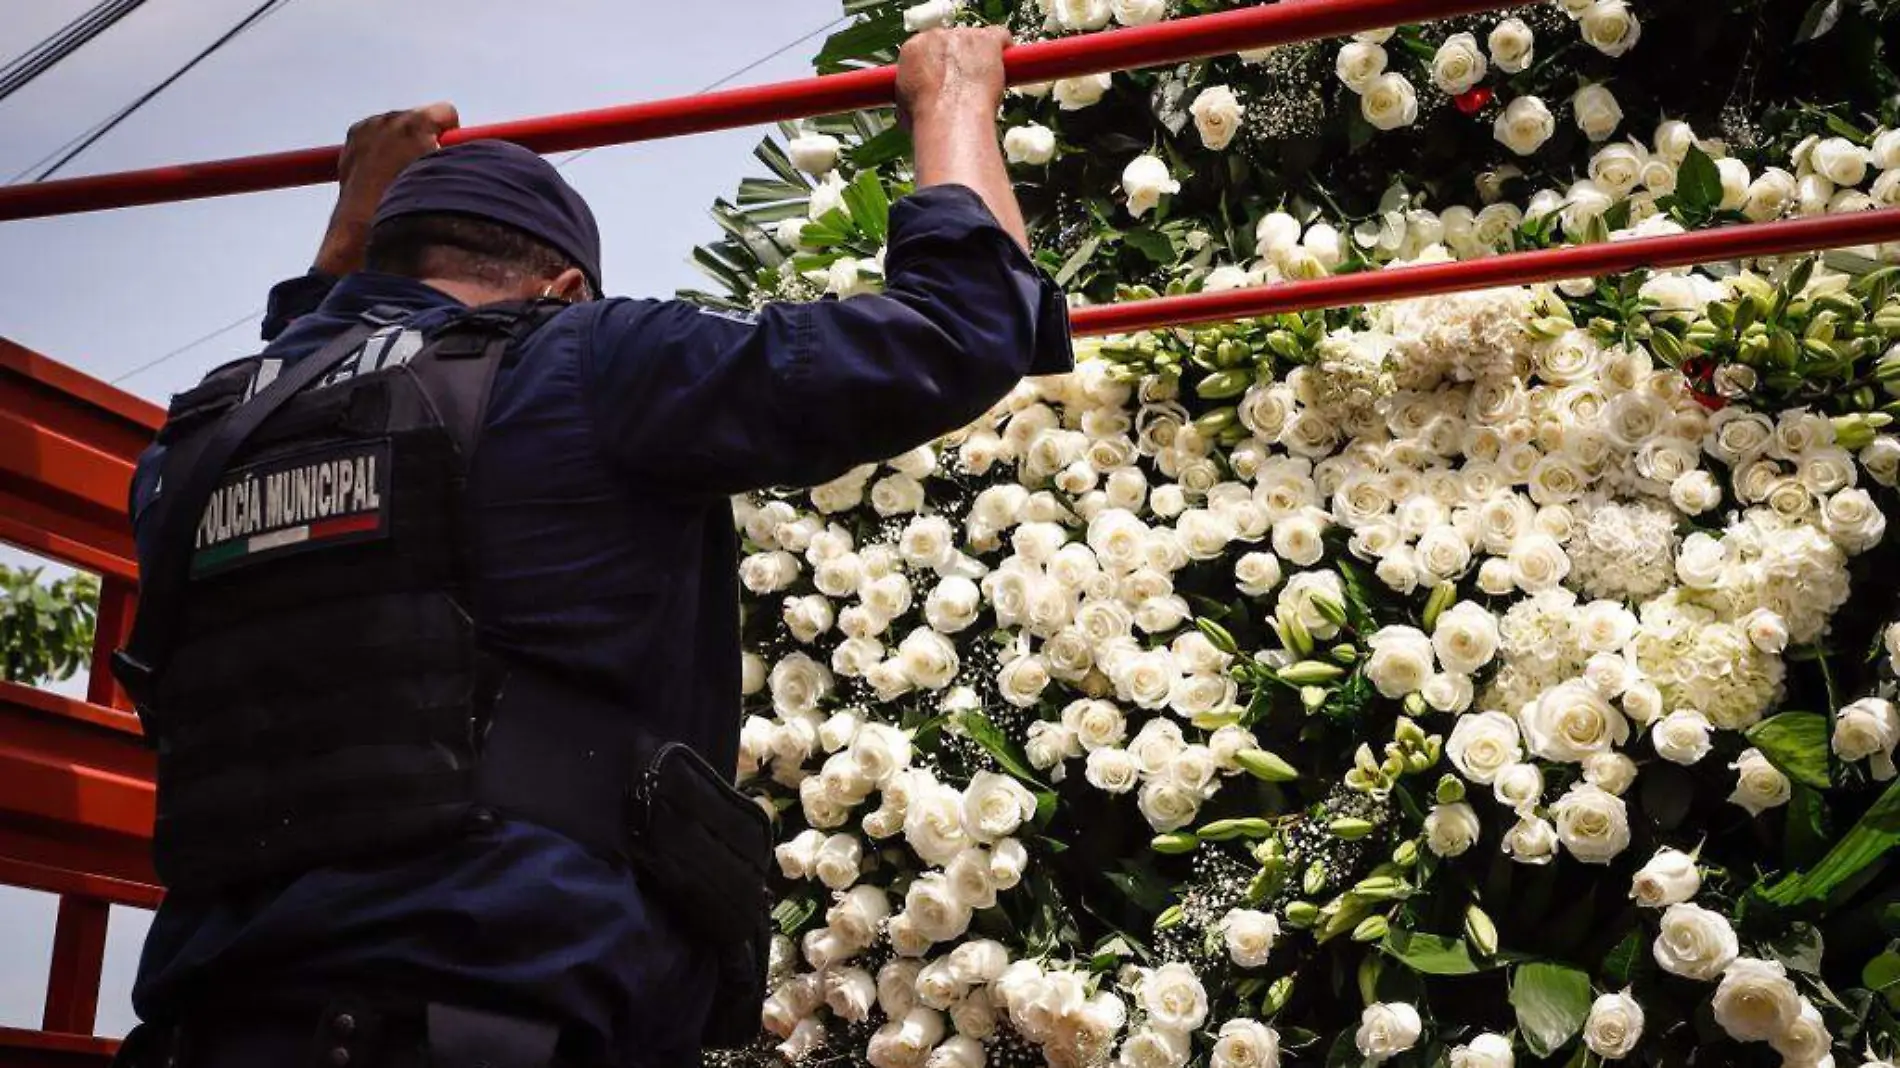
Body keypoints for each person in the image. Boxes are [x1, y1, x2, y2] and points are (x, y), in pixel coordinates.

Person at [113, 26, 1069, 1068]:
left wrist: (346, 240)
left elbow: (319, 369)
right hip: (502, 1016)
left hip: (205, 1033)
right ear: (566, 290)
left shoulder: (192, 447)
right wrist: (952, 97)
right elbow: (961, 327)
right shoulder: (581, 361)